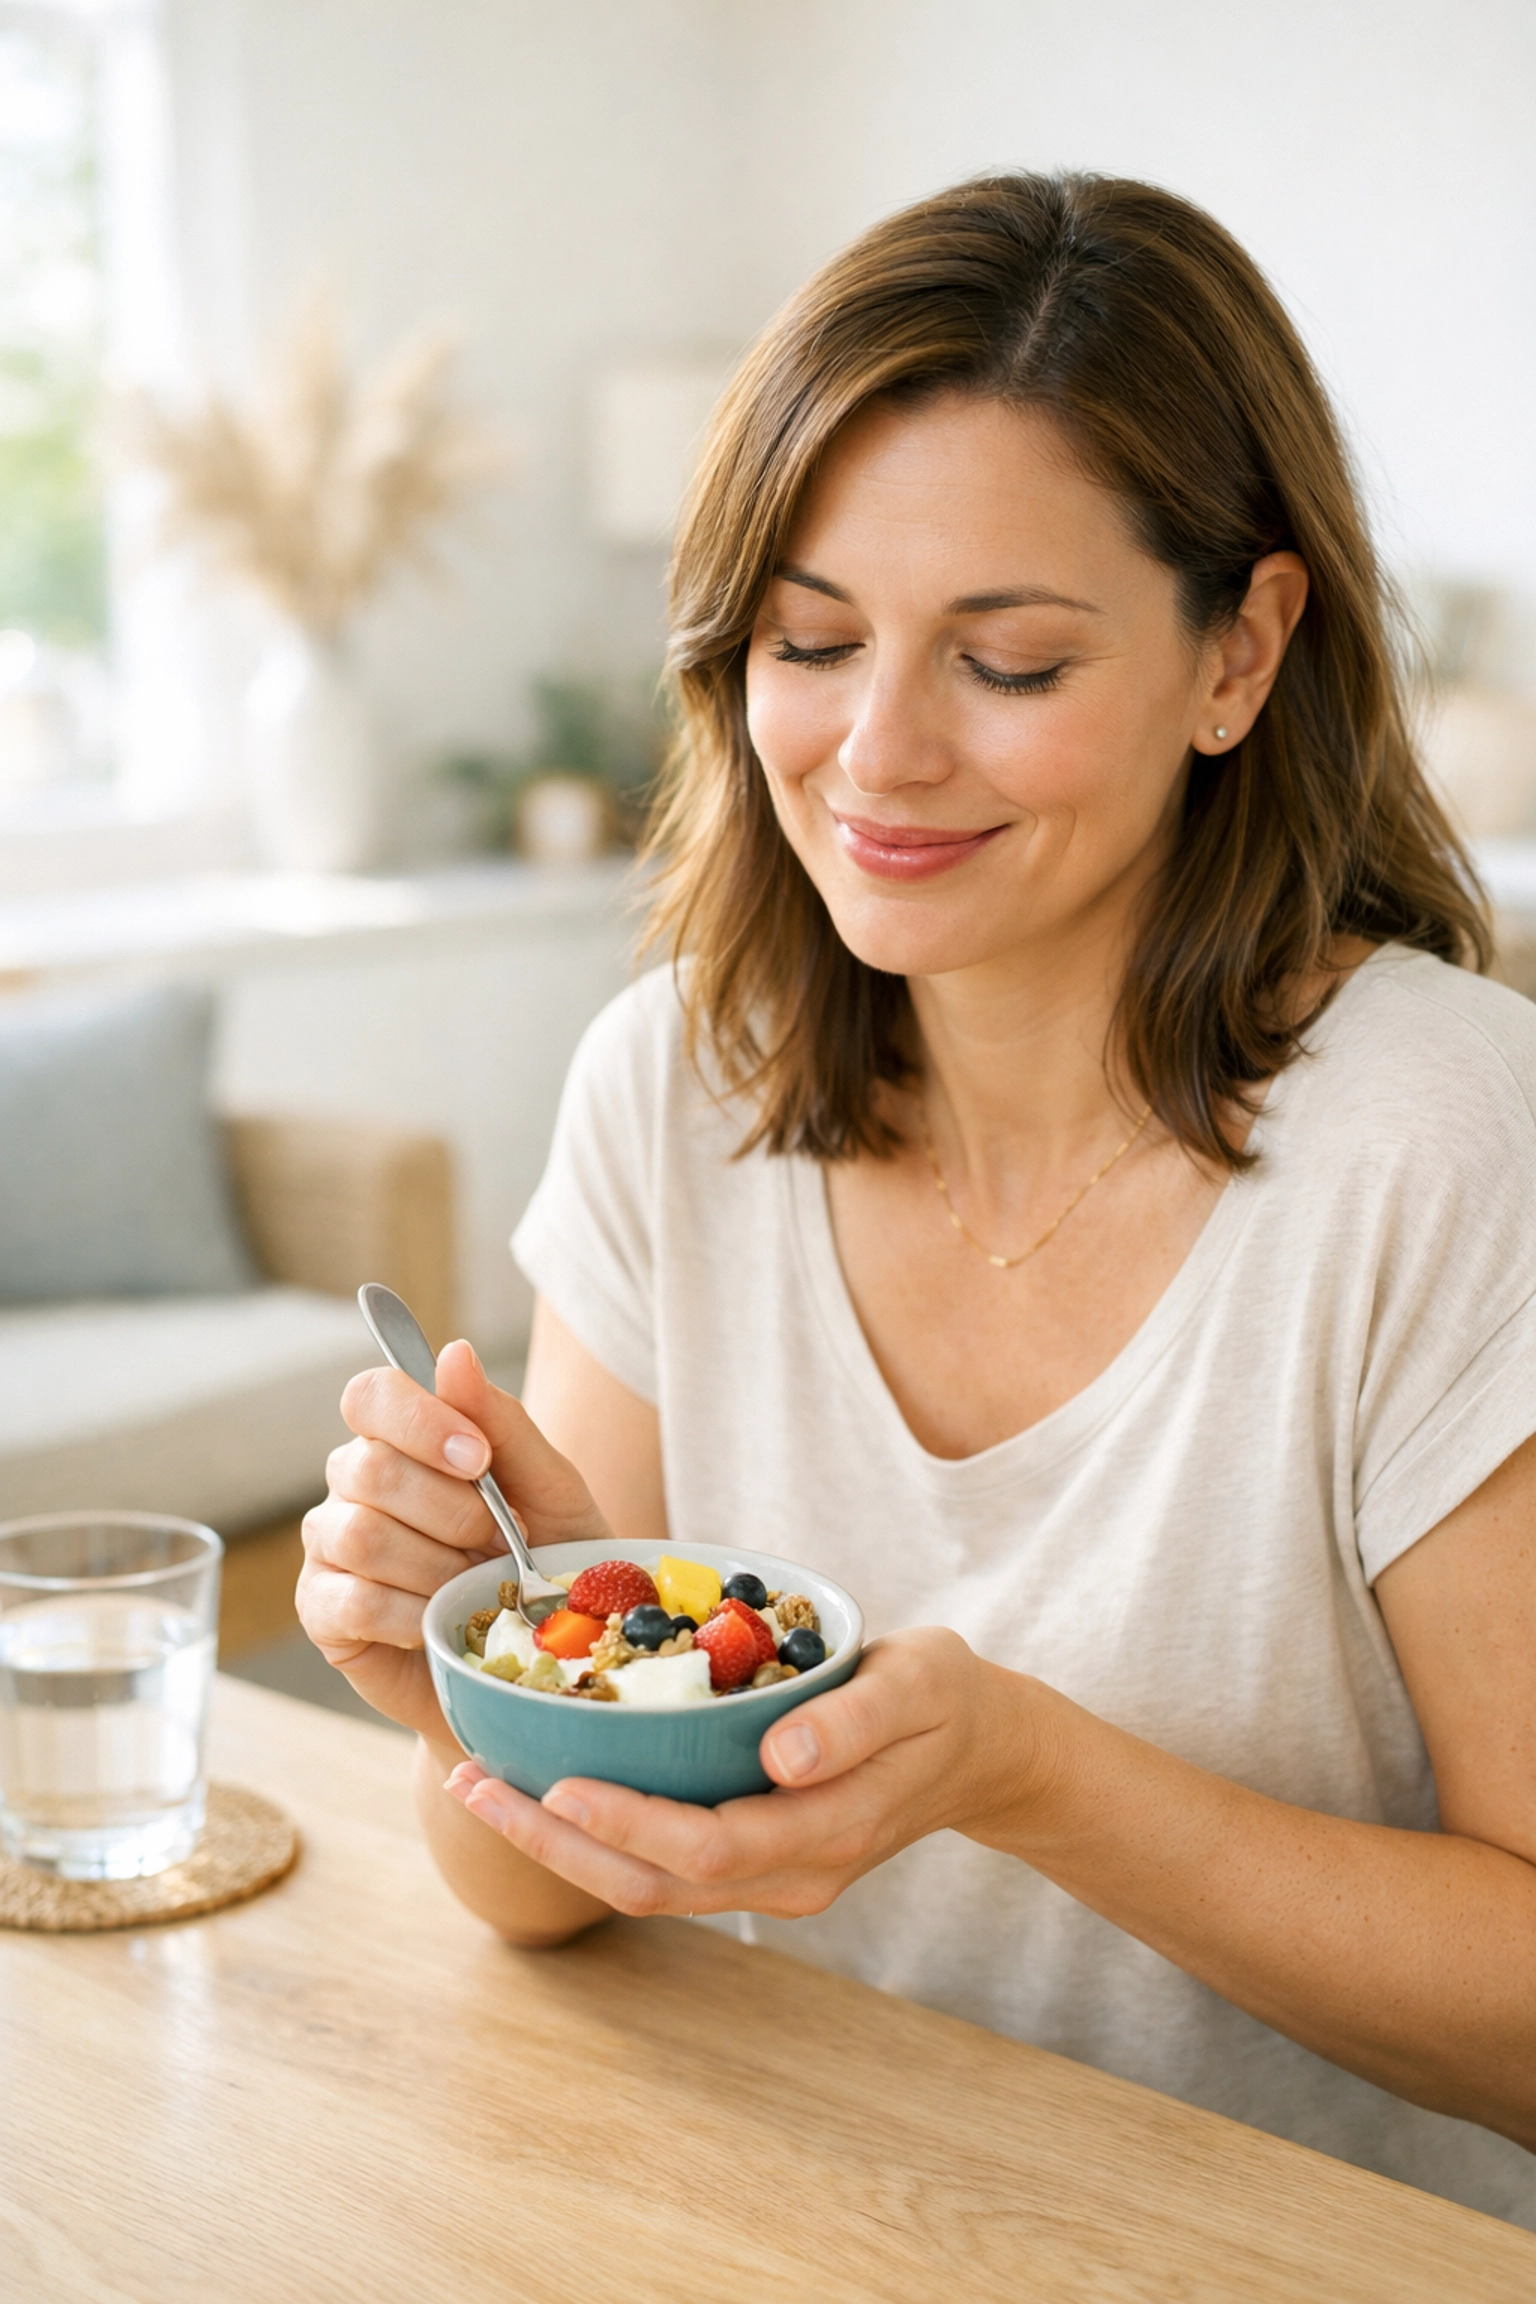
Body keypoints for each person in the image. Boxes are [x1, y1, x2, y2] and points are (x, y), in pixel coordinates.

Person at [297, 173, 1536, 2225]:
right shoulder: (679, 1086)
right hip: (812, 2217)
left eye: (1014, 663)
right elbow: (536, 1901)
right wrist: (484, 1674)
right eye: (810, 639)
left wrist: (1032, 1779)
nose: (875, 753)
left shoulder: (1450, 1142)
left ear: (1241, 651)